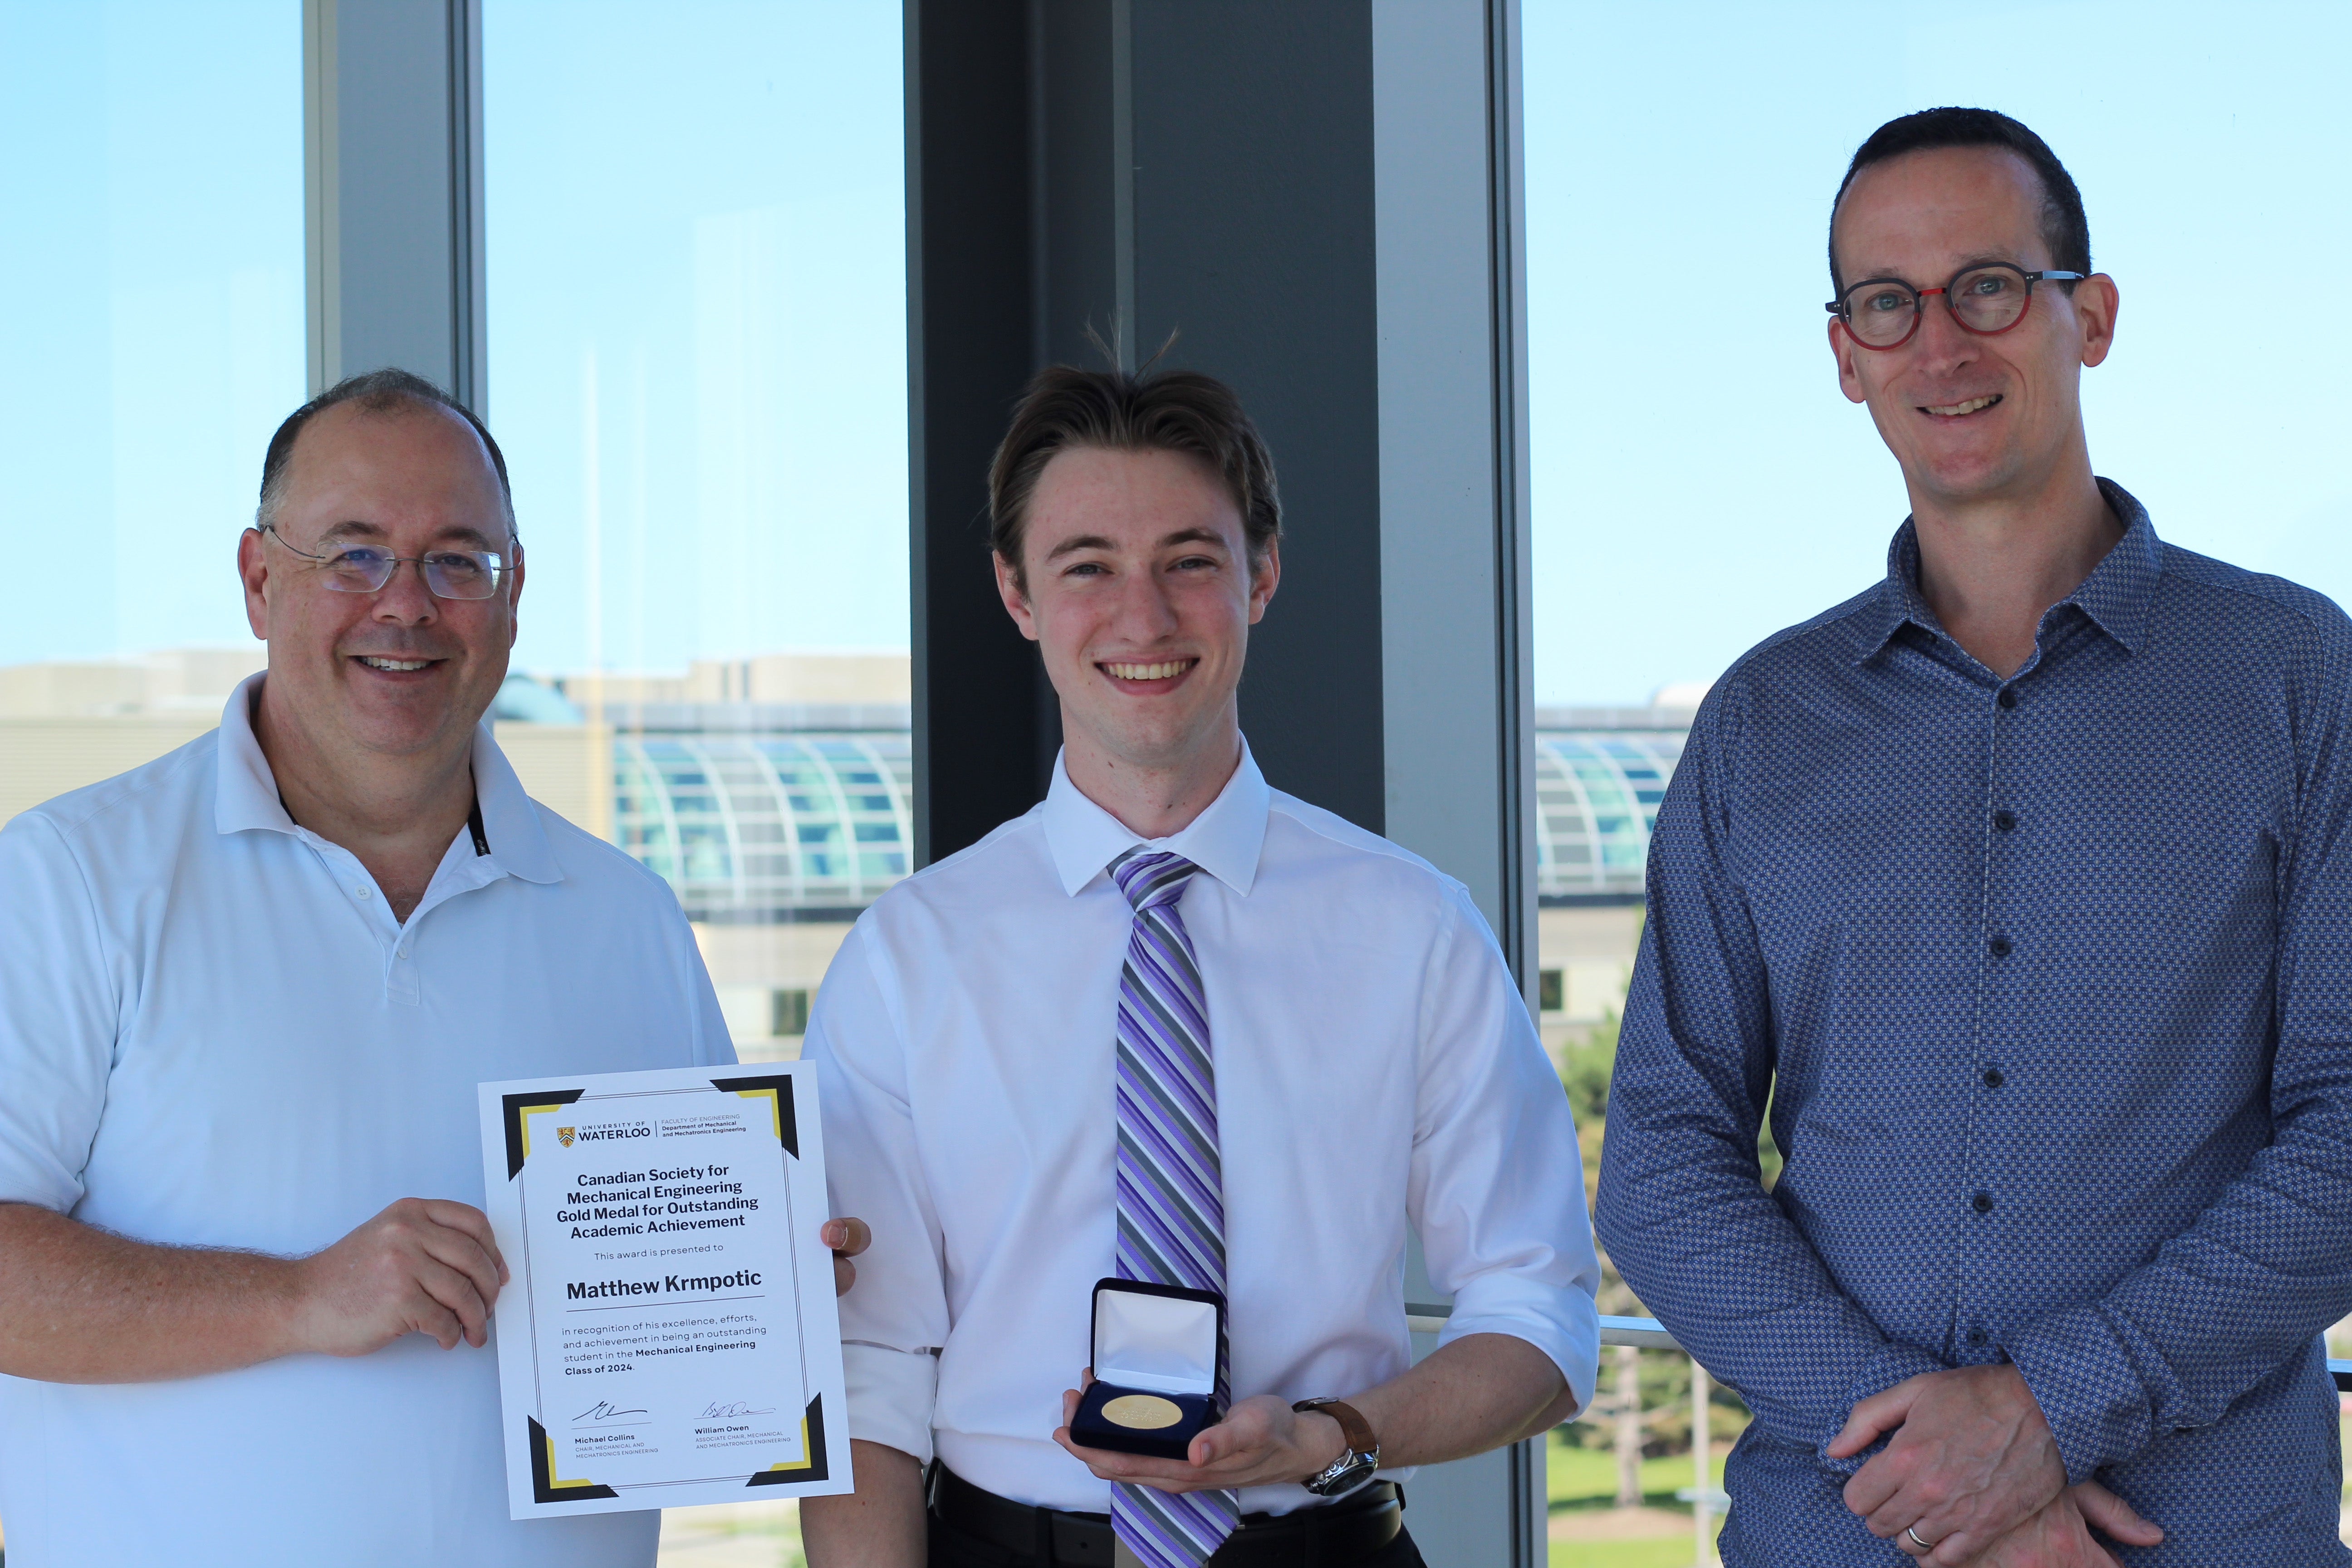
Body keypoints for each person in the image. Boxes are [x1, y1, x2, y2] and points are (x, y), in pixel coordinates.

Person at [1594, 106, 2352, 1567]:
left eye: (1989, 288)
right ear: (1846, 356)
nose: (1940, 344)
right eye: (1890, 303)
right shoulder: (1761, 722)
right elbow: (1666, 1161)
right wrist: (1934, 1454)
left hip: (2201, 1537)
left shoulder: (2297, 678)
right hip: (1838, 1534)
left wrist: (2056, 1408)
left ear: (2095, 316)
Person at [0, 369, 863, 1567]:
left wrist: (772, 1289)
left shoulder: (626, 918)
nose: (405, 605)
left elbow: (700, 1325)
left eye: (458, 561)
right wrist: (300, 1299)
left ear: (514, 598)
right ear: (259, 581)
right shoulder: (71, 881)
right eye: (353, 554)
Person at [799, 364, 1598, 1568]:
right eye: (1086, 568)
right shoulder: (907, 957)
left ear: (1260, 576)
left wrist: (1334, 1433)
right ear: (1017, 594)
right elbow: (866, 1374)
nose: (1144, 616)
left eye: (1189, 560)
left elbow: (1540, 1321)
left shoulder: (1412, 929)